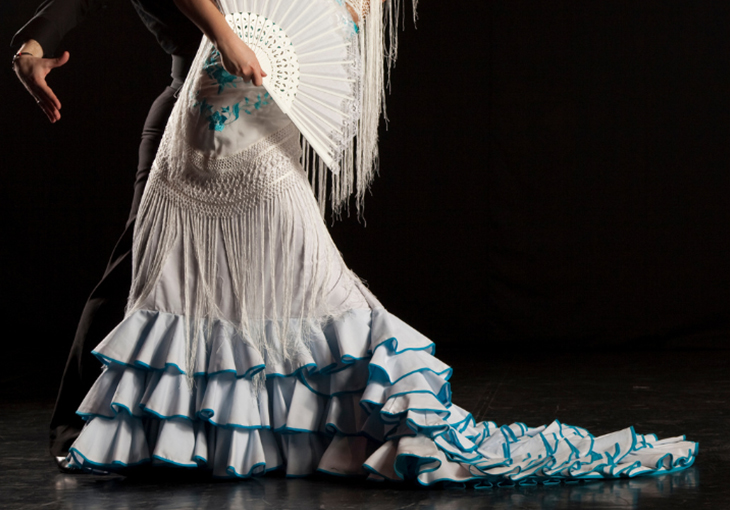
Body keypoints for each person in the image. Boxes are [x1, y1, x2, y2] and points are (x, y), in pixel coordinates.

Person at [64, 0, 697, 485]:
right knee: (195, 272)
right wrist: (226, 34)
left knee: (282, 270)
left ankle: (244, 436)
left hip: (265, 91)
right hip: (228, 76)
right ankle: (190, 437)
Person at [11, 0, 202, 470]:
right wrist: (32, 45)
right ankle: (79, 424)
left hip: (265, 120)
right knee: (141, 261)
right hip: (189, 112)